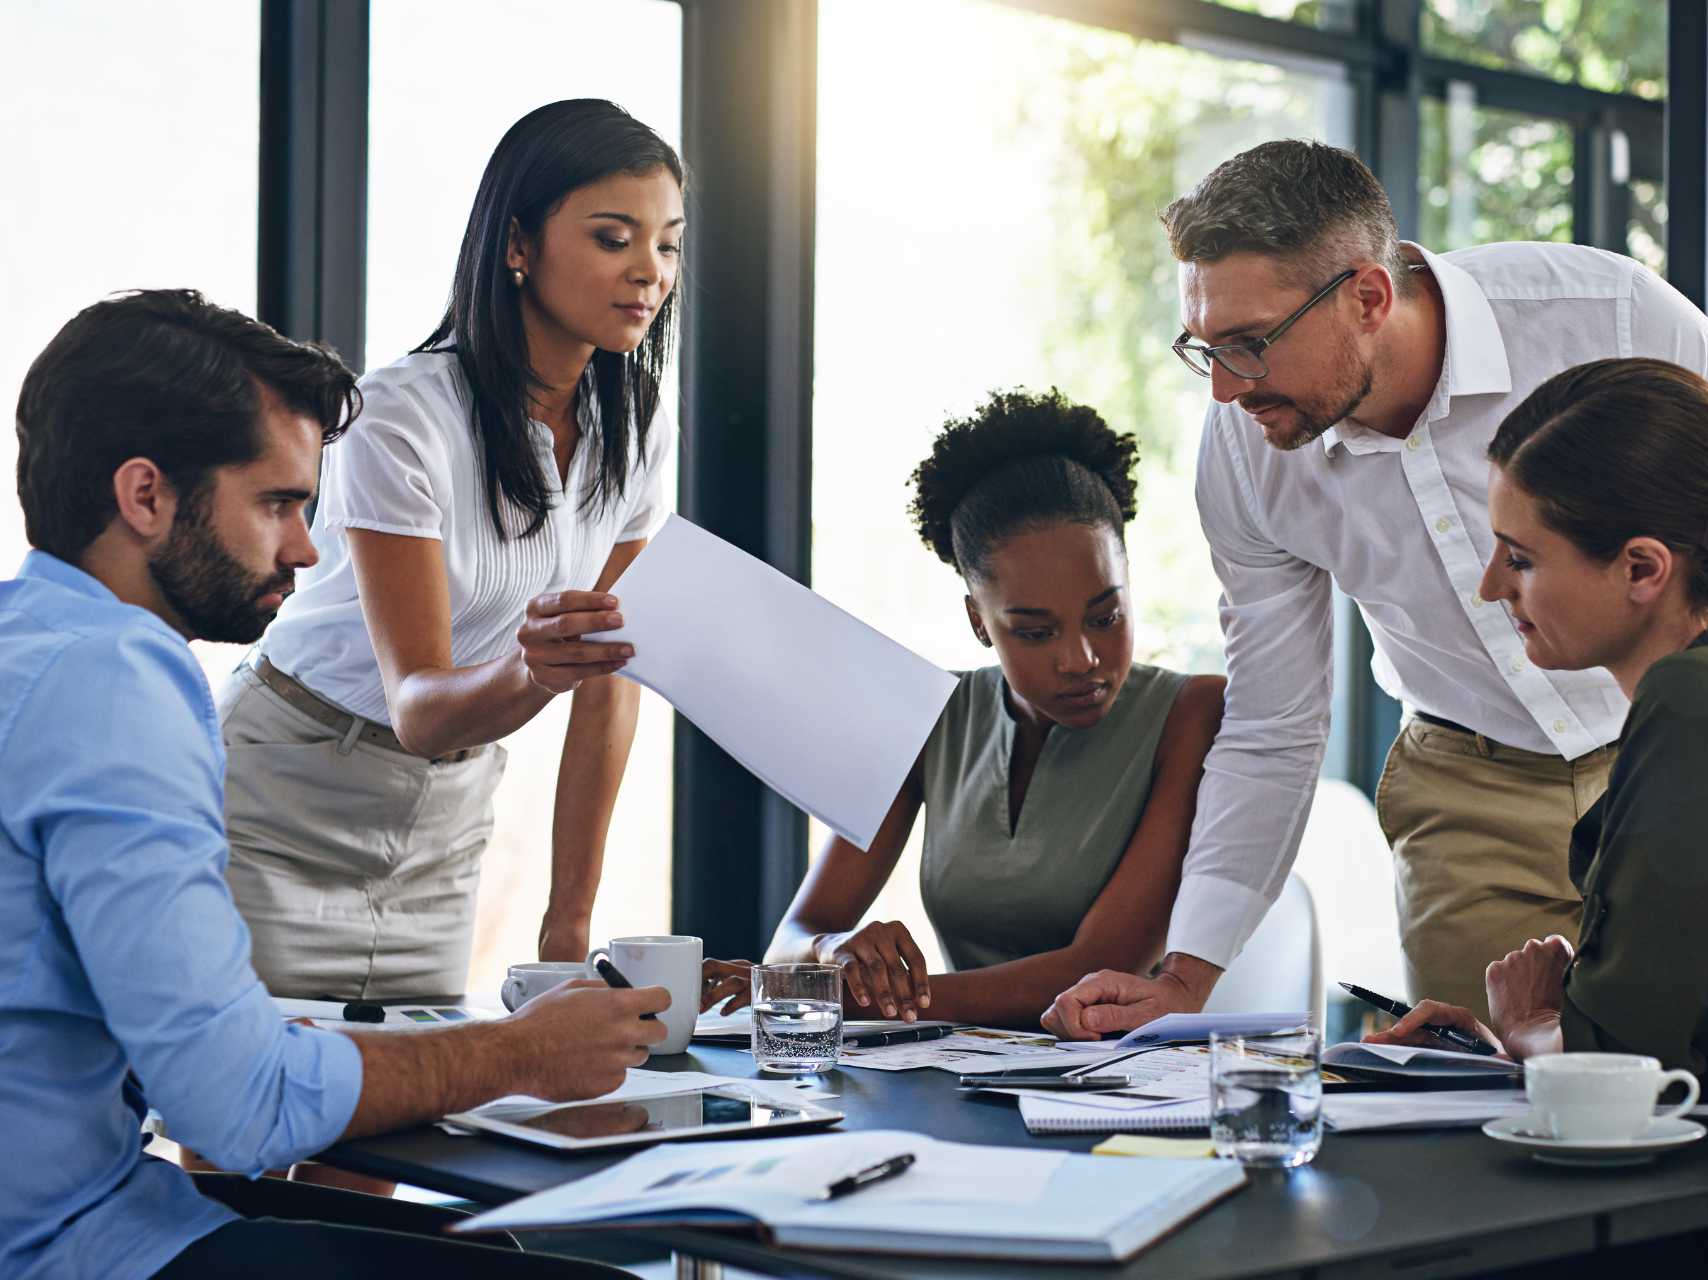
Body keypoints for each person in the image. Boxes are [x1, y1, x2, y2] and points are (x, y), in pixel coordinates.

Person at [1041, 139, 1708, 1038]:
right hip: (1471, 797)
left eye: (1250, 345)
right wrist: (1188, 976)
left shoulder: (1608, 317)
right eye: (1205, 349)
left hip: (1692, 754)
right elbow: (1274, 721)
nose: (1226, 390)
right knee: (1492, 1115)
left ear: (1368, 297)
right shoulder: (1246, 452)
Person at [0, 289, 670, 1279]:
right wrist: (519, 1050)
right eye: (277, 503)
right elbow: (235, 1103)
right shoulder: (120, 684)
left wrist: (247, 1022)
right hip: (72, 1246)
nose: (308, 548)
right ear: (144, 496)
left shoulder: (30, 643)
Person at [1366, 357, 1708, 1273]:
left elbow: (1621, 1061)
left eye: (1521, 557)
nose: (1491, 590)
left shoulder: (1701, 705)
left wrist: (1533, 1026)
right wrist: (1532, 1029)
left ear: (1641, 569)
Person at [221, 99, 682, 1002]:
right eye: (613, 237)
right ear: (518, 244)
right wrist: (536, 671)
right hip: (286, 790)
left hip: (447, 816)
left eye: (666, 244)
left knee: (412, 1117)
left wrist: (569, 919)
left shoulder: (637, 421)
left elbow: (611, 678)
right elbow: (422, 705)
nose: (648, 272)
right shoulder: (400, 414)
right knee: (237, 1126)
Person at [704, 390, 1223, 1025]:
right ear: (980, 620)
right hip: (959, 1075)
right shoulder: (929, 715)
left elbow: (1101, 967)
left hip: (1130, 1086)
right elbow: (793, 939)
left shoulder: (1193, 712)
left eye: (1105, 616)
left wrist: (846, 996)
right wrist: (830, 952)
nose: (1081, 658)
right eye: (1035, 631)